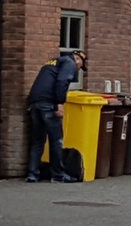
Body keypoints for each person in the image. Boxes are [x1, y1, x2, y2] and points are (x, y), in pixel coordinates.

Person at [25, 50, 87, 183]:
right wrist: (59, 102)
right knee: (56, 140)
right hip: (48, 103)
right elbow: (62, 81)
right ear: (77, 59)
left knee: (37, 141)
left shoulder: (53, 62)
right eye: (80, 66)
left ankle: (32, 174)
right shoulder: (69, 63)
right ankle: (58, 175)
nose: (78, 69)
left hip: (34, 102)